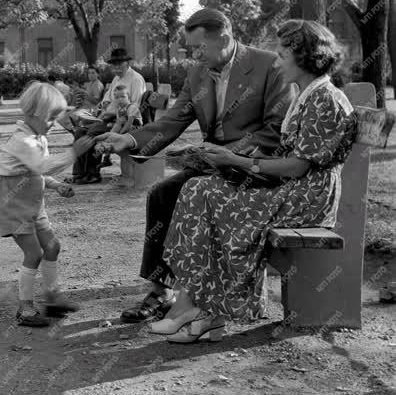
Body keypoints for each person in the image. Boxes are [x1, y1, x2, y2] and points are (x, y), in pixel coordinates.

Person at [152, 20, 357, 342]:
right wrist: (228, 160)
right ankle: (200, 309)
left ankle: (197, 308)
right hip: (294, 190)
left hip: (306, 197)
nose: (276, 62)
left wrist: (237, 161)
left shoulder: (323, 99)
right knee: (198, 188)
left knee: (204, 194)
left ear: (305, 57)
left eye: (283, 55)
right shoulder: (309, 94)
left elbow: (298, 167)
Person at [96, 8, 295, 323]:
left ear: (225, 38)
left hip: (255, 168)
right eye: (191, 50)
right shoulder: (198, 73)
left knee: (189, 191)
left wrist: (230, 154)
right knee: (162, 194)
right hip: (214, 164)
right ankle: (162, 291)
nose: (194, 56)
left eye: (200, 48)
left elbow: (275, 128)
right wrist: (130, 140)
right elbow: (174, 118)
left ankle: (201, 301)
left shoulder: (269, 65)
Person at [0, 81, 94, 327]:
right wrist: (74, 153)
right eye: (50, 118)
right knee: (34, 253)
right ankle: (25, 308)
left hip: (34, 207)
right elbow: (39, 166)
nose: (53, 124)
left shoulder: (37, 137)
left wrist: (56, 184)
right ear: (34, 114)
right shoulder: (22, 141)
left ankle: (52, 297)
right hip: (15, 208)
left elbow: (38, 172)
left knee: (52, 247)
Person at [68, 48, 146, 185]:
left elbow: (135, 106)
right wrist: (104, 106)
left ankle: (92, 174)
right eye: (114, 66)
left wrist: (113, 113)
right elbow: (107, 97)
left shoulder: (136, 79)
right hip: (110, 117)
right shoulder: (117, 78)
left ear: (127, 63)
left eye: (119, 65)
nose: (116, 69)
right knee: (80, 131)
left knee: (92, 133)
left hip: (124, 121)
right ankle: (79, 173)